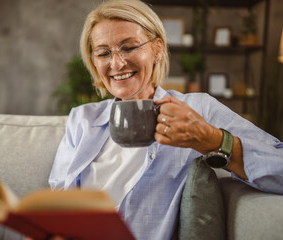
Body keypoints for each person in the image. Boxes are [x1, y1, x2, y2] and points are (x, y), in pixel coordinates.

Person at [49, 0, 283, 239]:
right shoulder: (83, 118)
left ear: (157, 49)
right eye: (103, 53)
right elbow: (56, 200)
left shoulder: (197, 108)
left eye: (129, 47)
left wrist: (212, 140)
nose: (117, 63)